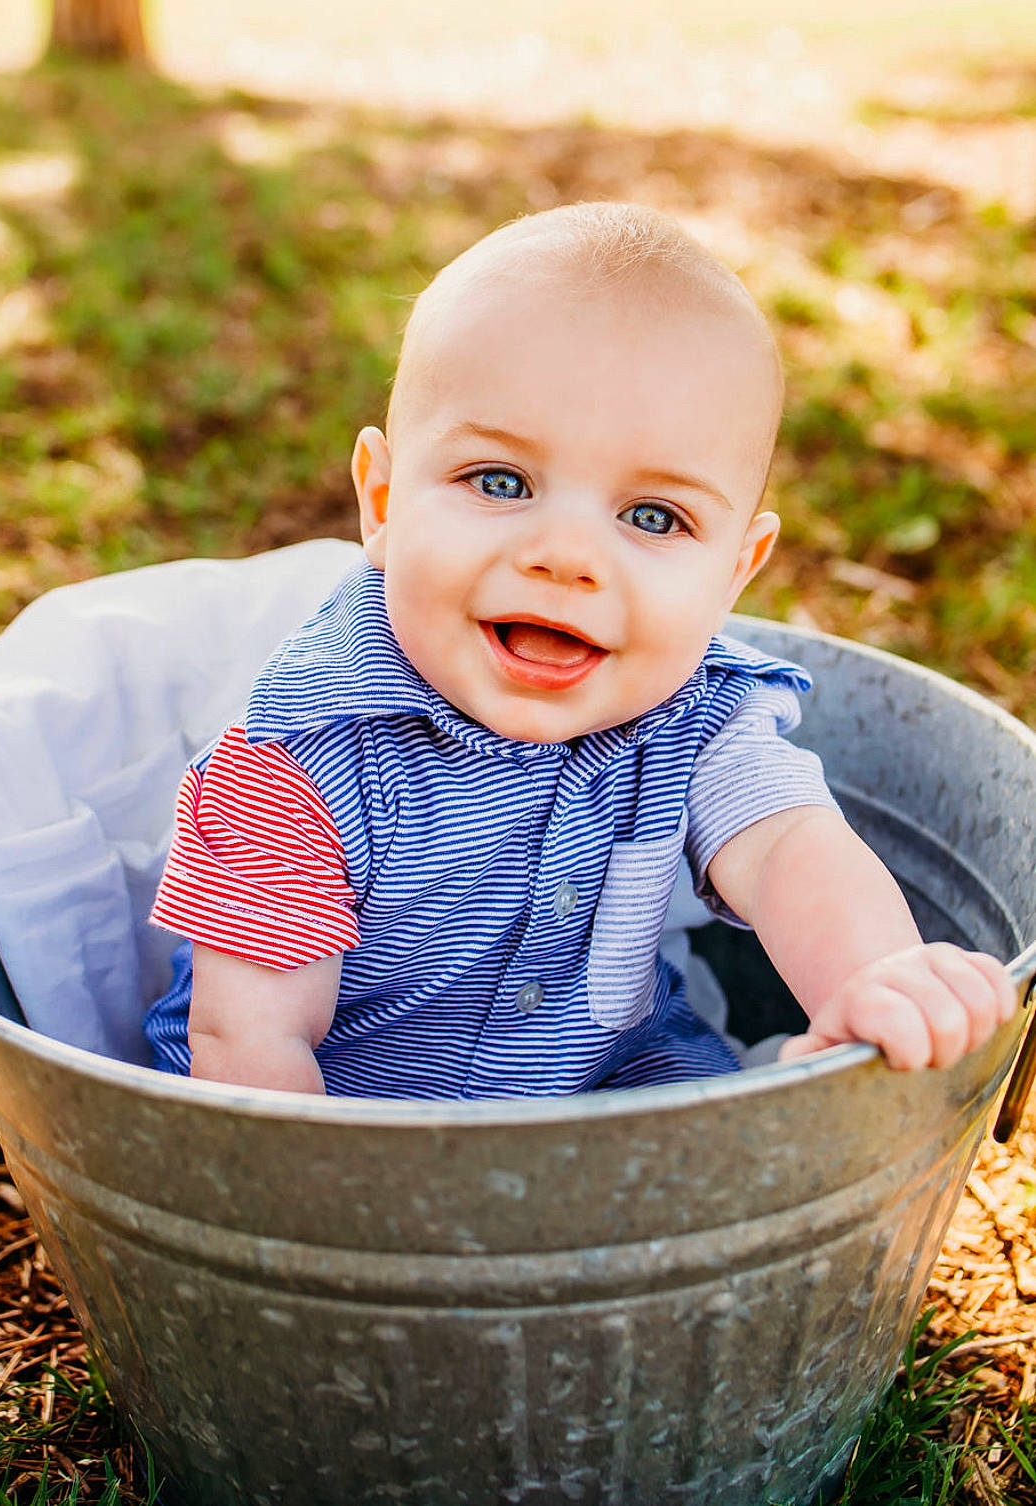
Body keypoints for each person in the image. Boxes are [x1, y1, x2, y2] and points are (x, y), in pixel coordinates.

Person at [143, 202, 1015, 1098]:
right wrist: (334, 1219)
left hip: (597, 1080)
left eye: (653, 516)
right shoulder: (308, 754)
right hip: (348, 1107)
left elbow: (790, 845)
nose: (566, 557)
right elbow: (249, 1044)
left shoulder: (697, 713)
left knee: (713, 1130)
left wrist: (872, 974)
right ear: (384, 499)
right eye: (500, 480)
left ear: (733, 573)